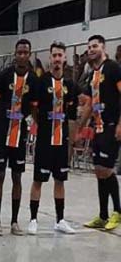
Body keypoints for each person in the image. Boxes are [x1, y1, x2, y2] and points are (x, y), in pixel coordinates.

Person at [0, 38, 40, 236]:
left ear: (29, 55)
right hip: (3, 134)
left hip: (20, 136)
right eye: (19, 52)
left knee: (17, 177)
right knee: (0, 175)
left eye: (25, 52)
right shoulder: (4, 76)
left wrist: (32, 123)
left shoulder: (34, 81)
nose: (21, 55)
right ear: (15, 54)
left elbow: (35, 108)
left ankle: (14, 221)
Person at [28, 42, 78, 235]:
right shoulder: (41, 83)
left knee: (60, 181)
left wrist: (71, 142)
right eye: (54, 55)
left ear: (65, 59)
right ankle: (33, 219)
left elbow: (72, 115)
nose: (57, 59)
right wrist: (40, 126)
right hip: (44, 140)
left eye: (60, 56)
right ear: (50, 58)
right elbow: (34, 108)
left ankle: (60, 219)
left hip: (61, 140)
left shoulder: (70, 85)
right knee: (38, 180)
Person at [78, 34, 121, 230]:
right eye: (89, 47)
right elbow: (87, 104)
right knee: (98, 171)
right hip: (98, 127)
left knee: (106, 169)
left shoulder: (113, 68)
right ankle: (103, 215)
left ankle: (117, 212)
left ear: (103, 48)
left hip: (111, 125)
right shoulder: (92, 74)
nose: (91, 49)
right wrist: (80, 129)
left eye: (95, 46)